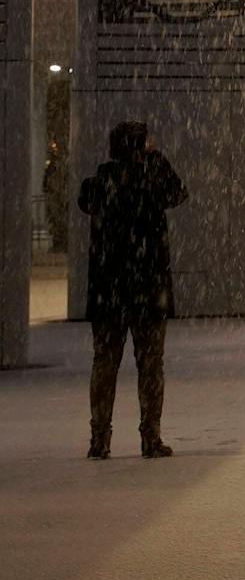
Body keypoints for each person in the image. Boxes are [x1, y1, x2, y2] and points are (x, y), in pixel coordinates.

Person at [78, 120, 188, 459]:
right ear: (142, 147)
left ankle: (100, 439)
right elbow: (178, 192)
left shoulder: (100, 184)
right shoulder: (152, 181)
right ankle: (150, 437)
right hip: (147, 289)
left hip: (109, 291)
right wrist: (155, 160)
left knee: (105, 363)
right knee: (151, 364)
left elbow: (87, 201)